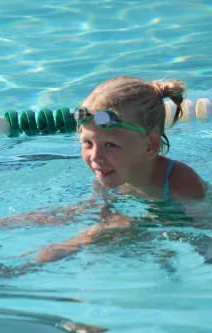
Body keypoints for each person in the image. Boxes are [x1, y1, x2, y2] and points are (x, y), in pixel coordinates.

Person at [36, 75, 208, 262]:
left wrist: (138, 226)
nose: (95, 156)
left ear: (150, 145)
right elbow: (99, 212)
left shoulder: (181, 181)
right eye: (87, 143)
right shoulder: (108, 175)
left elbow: (201, 233)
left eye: (110, 145)